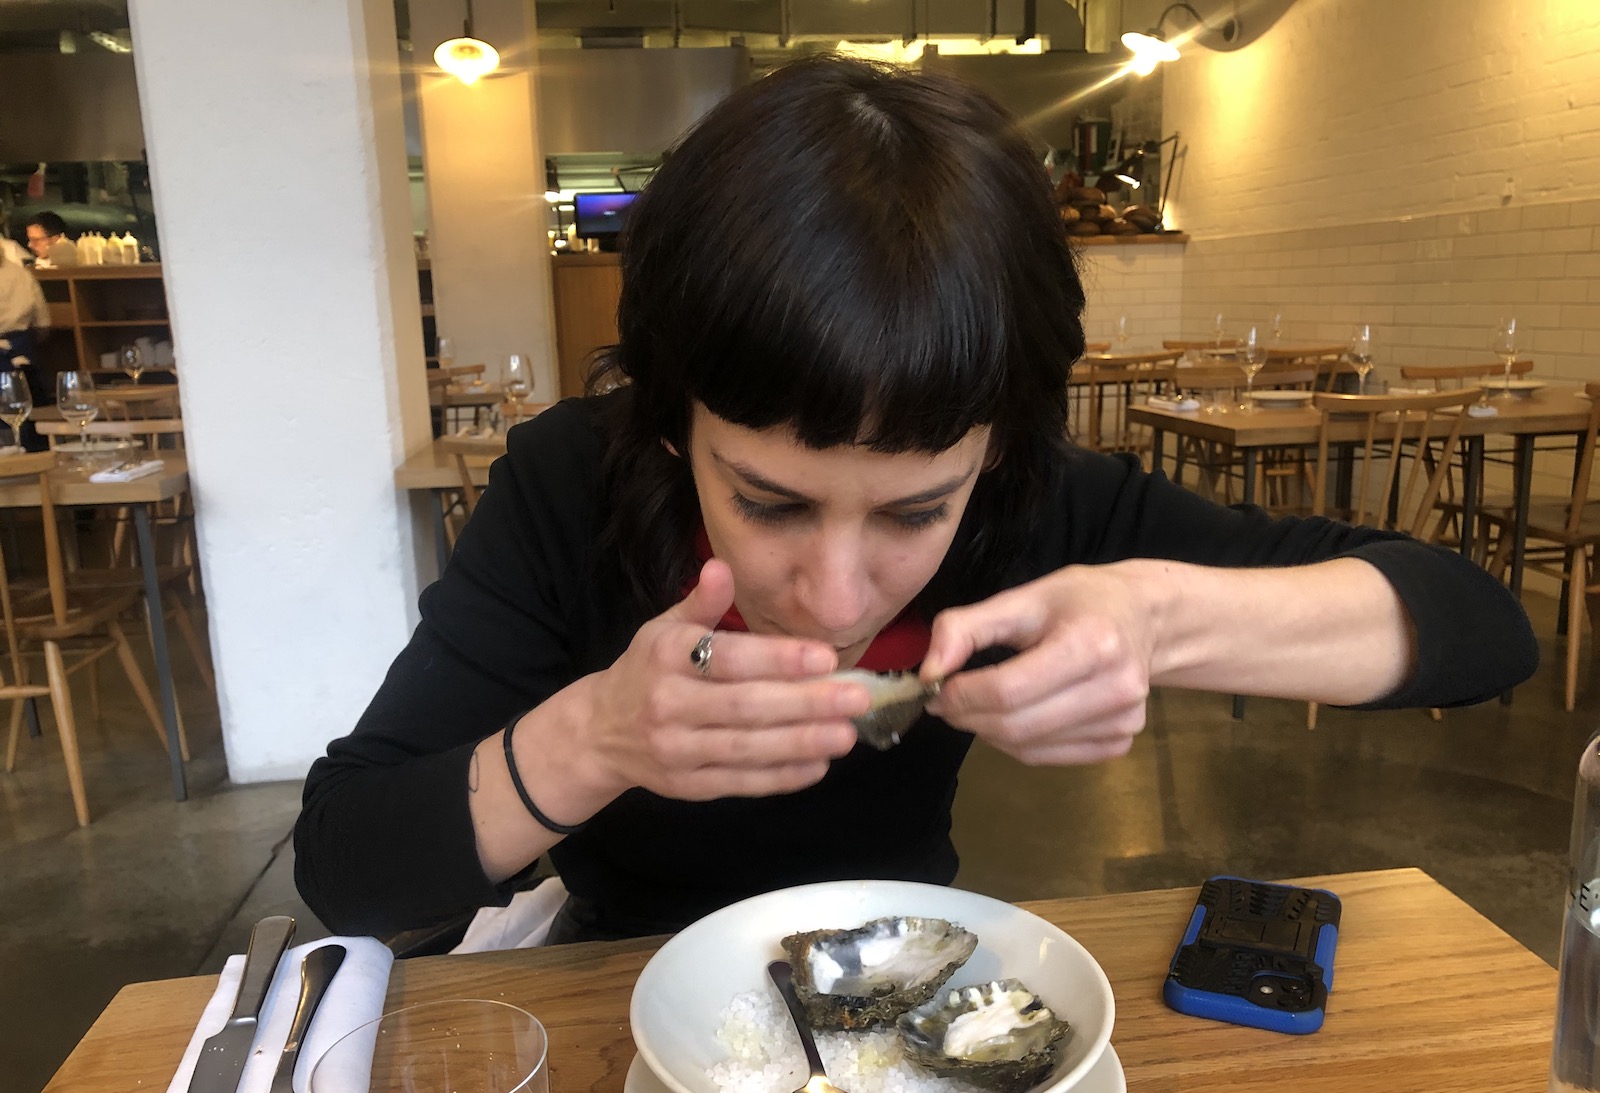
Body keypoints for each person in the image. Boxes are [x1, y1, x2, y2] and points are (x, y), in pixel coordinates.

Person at [296, 57, 1537, 945]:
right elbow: (350, 866)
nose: (835, 596)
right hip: (621, 980)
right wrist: (596, 739)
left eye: (912, 512)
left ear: (992, 453)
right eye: (770, 502)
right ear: (676, 427)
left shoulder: (1036, 511)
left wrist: (1157, 621)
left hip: (911, 960)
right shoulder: (573, 484)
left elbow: (1477, 627)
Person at [0, 252, 49, 417]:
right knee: (26, 409)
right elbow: (43, 323)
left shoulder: (20, 273)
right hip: (22, 346)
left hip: (18, 345)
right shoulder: (21, 274)